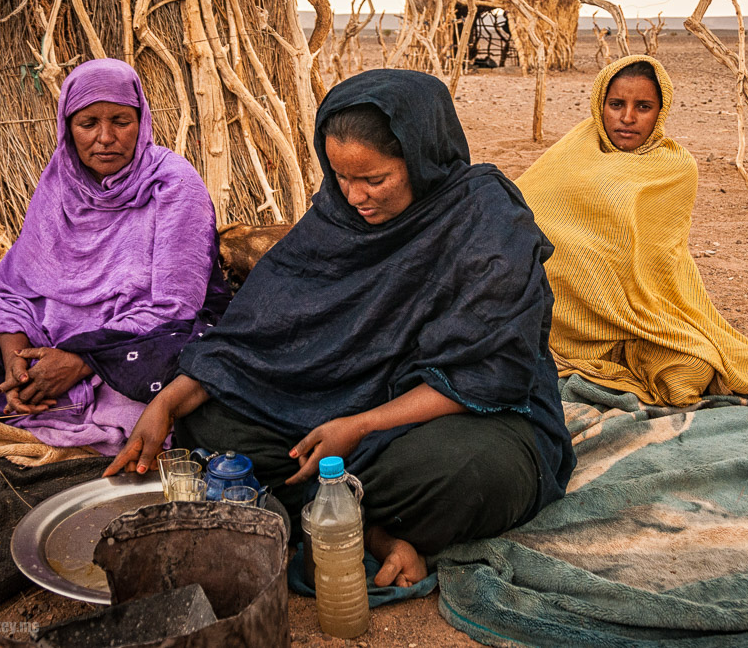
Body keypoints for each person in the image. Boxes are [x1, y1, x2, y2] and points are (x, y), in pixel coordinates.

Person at [105, 68, 575, 588]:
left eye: (374, 180)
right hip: (330, 403)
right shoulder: (336, 217)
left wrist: (361, 426)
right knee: (212, 425)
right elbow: (253, 337)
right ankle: (365, 525)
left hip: (455, 414)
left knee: (471, 473)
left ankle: (343, 518)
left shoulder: (486, 219)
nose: (355, 197)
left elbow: (489, 373)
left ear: (422, 158)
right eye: (341, 177)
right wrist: (167, 403)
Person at [0, 58, 230, 456]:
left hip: (138, 336)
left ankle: (60, 414)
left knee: (180, 363)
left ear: (141, 121)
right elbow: (12, 290)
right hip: (52, 333)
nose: (105, 138)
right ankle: (39, 400)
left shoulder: (172, 184)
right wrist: (17, 364)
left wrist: (81, 359)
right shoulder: (59, 183)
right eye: (88, 123)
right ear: (67, 127)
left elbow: (176, 305)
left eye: (121, 121)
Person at [516, 55, 748, 407]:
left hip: (643, 315)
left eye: (643, 107)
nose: (627, 118)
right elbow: (521, 213)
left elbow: (663, 258)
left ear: (661, 110)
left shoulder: (676, 167)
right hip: (559, 314)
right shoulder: (574, 148)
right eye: (616, 104)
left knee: (691, 372)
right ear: (600, 104)